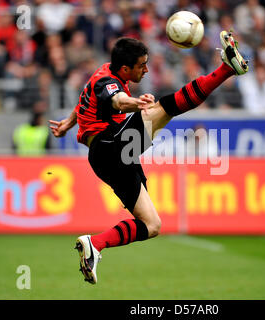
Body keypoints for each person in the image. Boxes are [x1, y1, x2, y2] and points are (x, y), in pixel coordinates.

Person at [48, 31, 248, 284]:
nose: (145, 69)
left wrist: (68, 122)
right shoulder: (108, 82)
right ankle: (226, 71)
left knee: (152, 225)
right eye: (141, 65)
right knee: (167, 107)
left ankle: (94, 244)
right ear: (124, 68)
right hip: (109, 146)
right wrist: (136, 102)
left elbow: (86, 100)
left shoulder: (103, 73)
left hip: (110, 157)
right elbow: (117, 101)